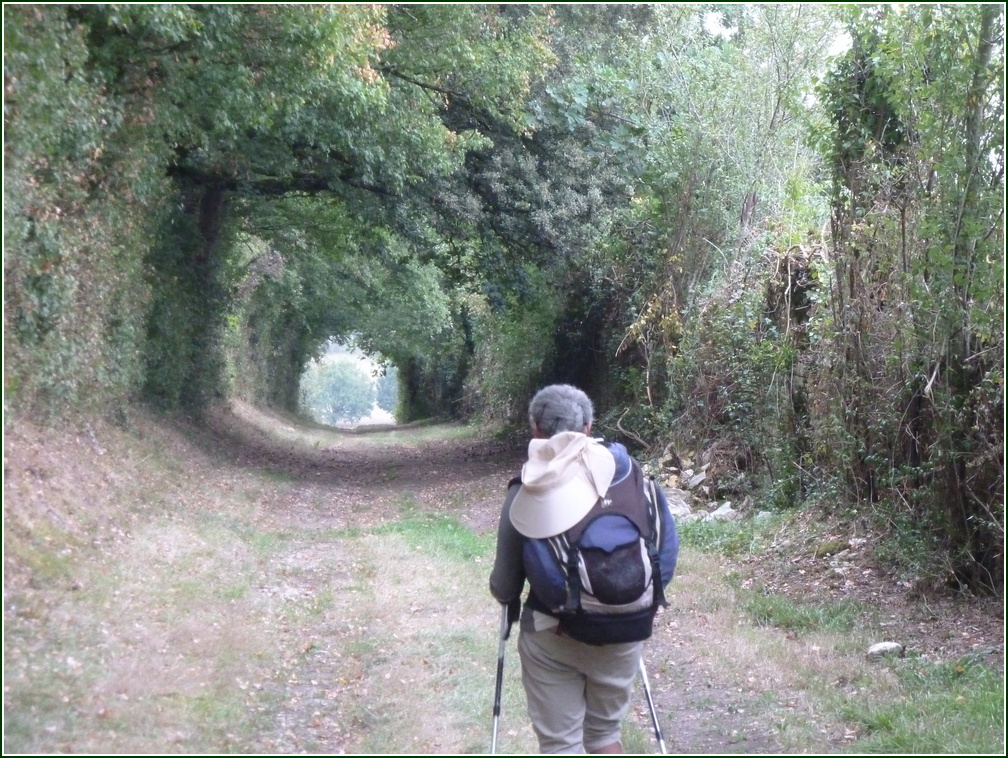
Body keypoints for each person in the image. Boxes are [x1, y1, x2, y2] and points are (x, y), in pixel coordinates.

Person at [490, 384, 678, 754]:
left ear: (536, 429)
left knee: (562, 745)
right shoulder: (633, 477)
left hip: (553, 632)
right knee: (606, 736)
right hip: (625, 630)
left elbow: (505, 585)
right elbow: (664, 558)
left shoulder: (528, 488)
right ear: (589, 427)